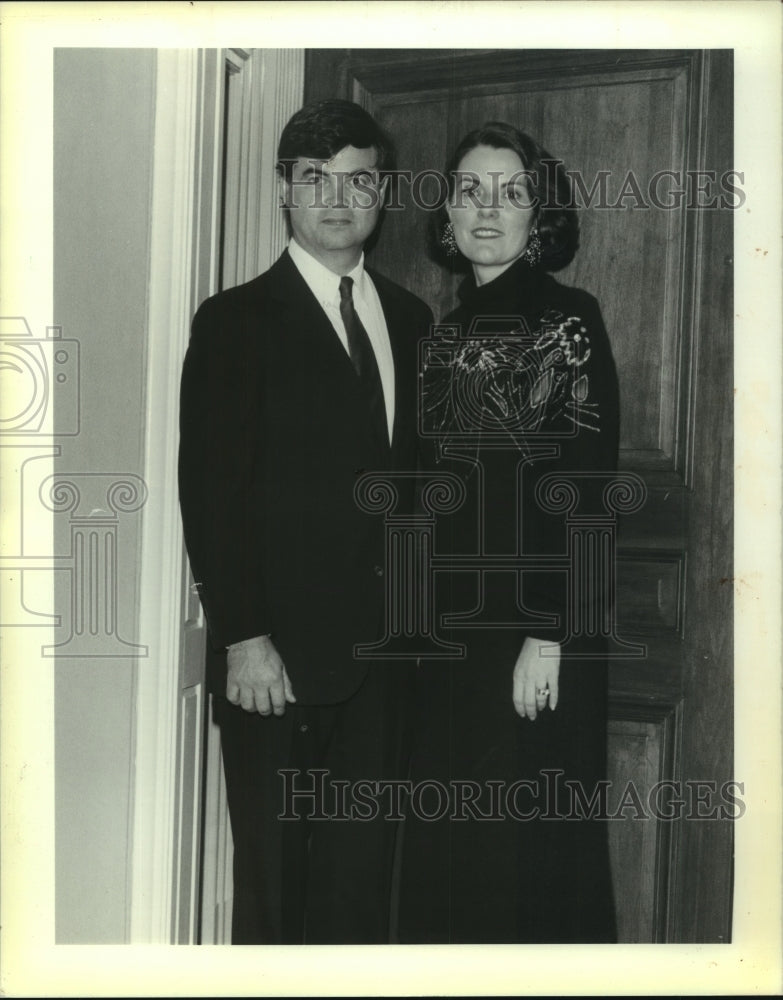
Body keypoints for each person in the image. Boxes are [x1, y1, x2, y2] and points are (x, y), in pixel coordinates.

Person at [178, 99, 432, 944]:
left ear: (383, 192)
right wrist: (243, 636)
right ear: (284, 188)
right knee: (277, 887)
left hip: (385, 663)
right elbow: (212, 492)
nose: (336, 198)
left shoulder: (410, 319)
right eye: (314, 178)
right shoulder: (234, 321)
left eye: (357, 180)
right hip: (276, 664)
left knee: (363, 891)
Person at [398, 122, 619, 944]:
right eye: (469, 190)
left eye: (511, 191)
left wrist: (550, 632)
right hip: (447, 641)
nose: (488, 207)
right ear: (446, 215)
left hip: (530, 635)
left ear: (539, 214)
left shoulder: (567, 319)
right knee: (454, 865)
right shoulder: (439, 335)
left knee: (521, 864)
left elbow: (586, 488)